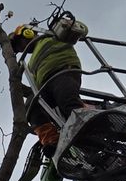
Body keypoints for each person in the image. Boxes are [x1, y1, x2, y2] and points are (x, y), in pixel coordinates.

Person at [10, 11, 89, 151]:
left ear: (27, 33)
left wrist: (67, 25)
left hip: (64, 72)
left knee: (67, 101)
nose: (22, 49)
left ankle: (87, 128)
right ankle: (51, 139)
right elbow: (34, 86)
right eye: (18, 49)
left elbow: (82, 30)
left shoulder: (52, 35)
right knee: (32, 108)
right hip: (46, 84)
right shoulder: (29, 64)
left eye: (19, 43)